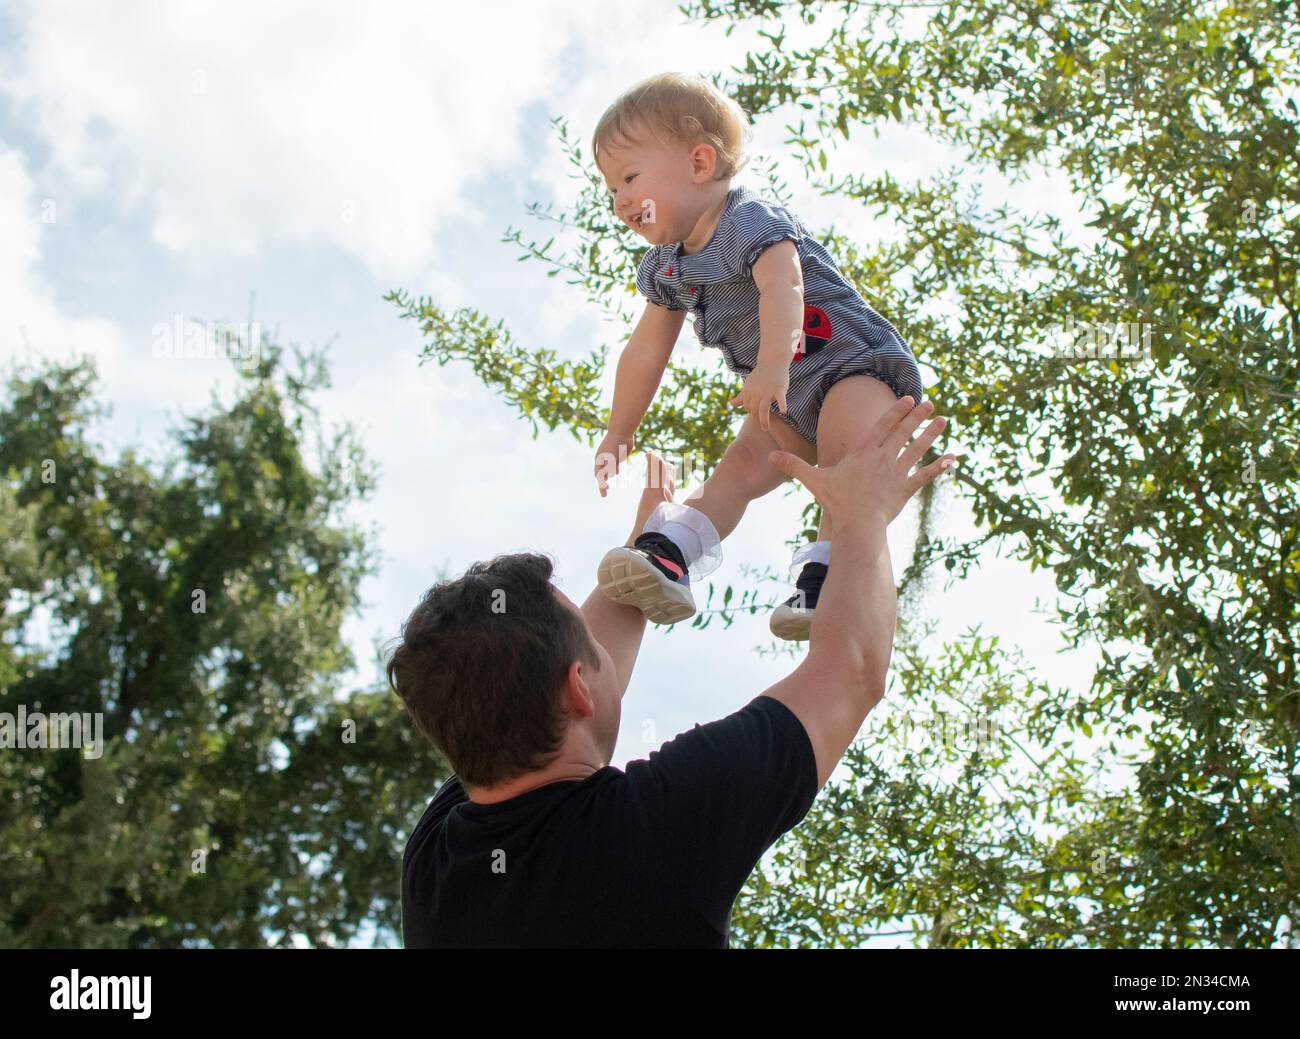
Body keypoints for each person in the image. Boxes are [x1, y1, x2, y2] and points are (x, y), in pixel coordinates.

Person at [389, 397, 955, 948]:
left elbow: (540, 683)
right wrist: (863, 514)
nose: (598, 637)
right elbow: (851, 673)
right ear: (578, 688)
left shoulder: (440, 870)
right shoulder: (650, 830)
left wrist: (648, 555)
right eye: (588, 638)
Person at [590, 71, 926, 641]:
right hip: (785, 399)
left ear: (699, 164)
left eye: (629, 177)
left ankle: (830, 573)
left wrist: (773, 365)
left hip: (850, 366)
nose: (620, 200)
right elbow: (647, 349)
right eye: (609, 188)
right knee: (742, 464)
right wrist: (619, 430)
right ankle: (673, 550)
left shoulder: (750, 220)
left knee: (843, 457)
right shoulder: (665, 268)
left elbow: (784, 285)